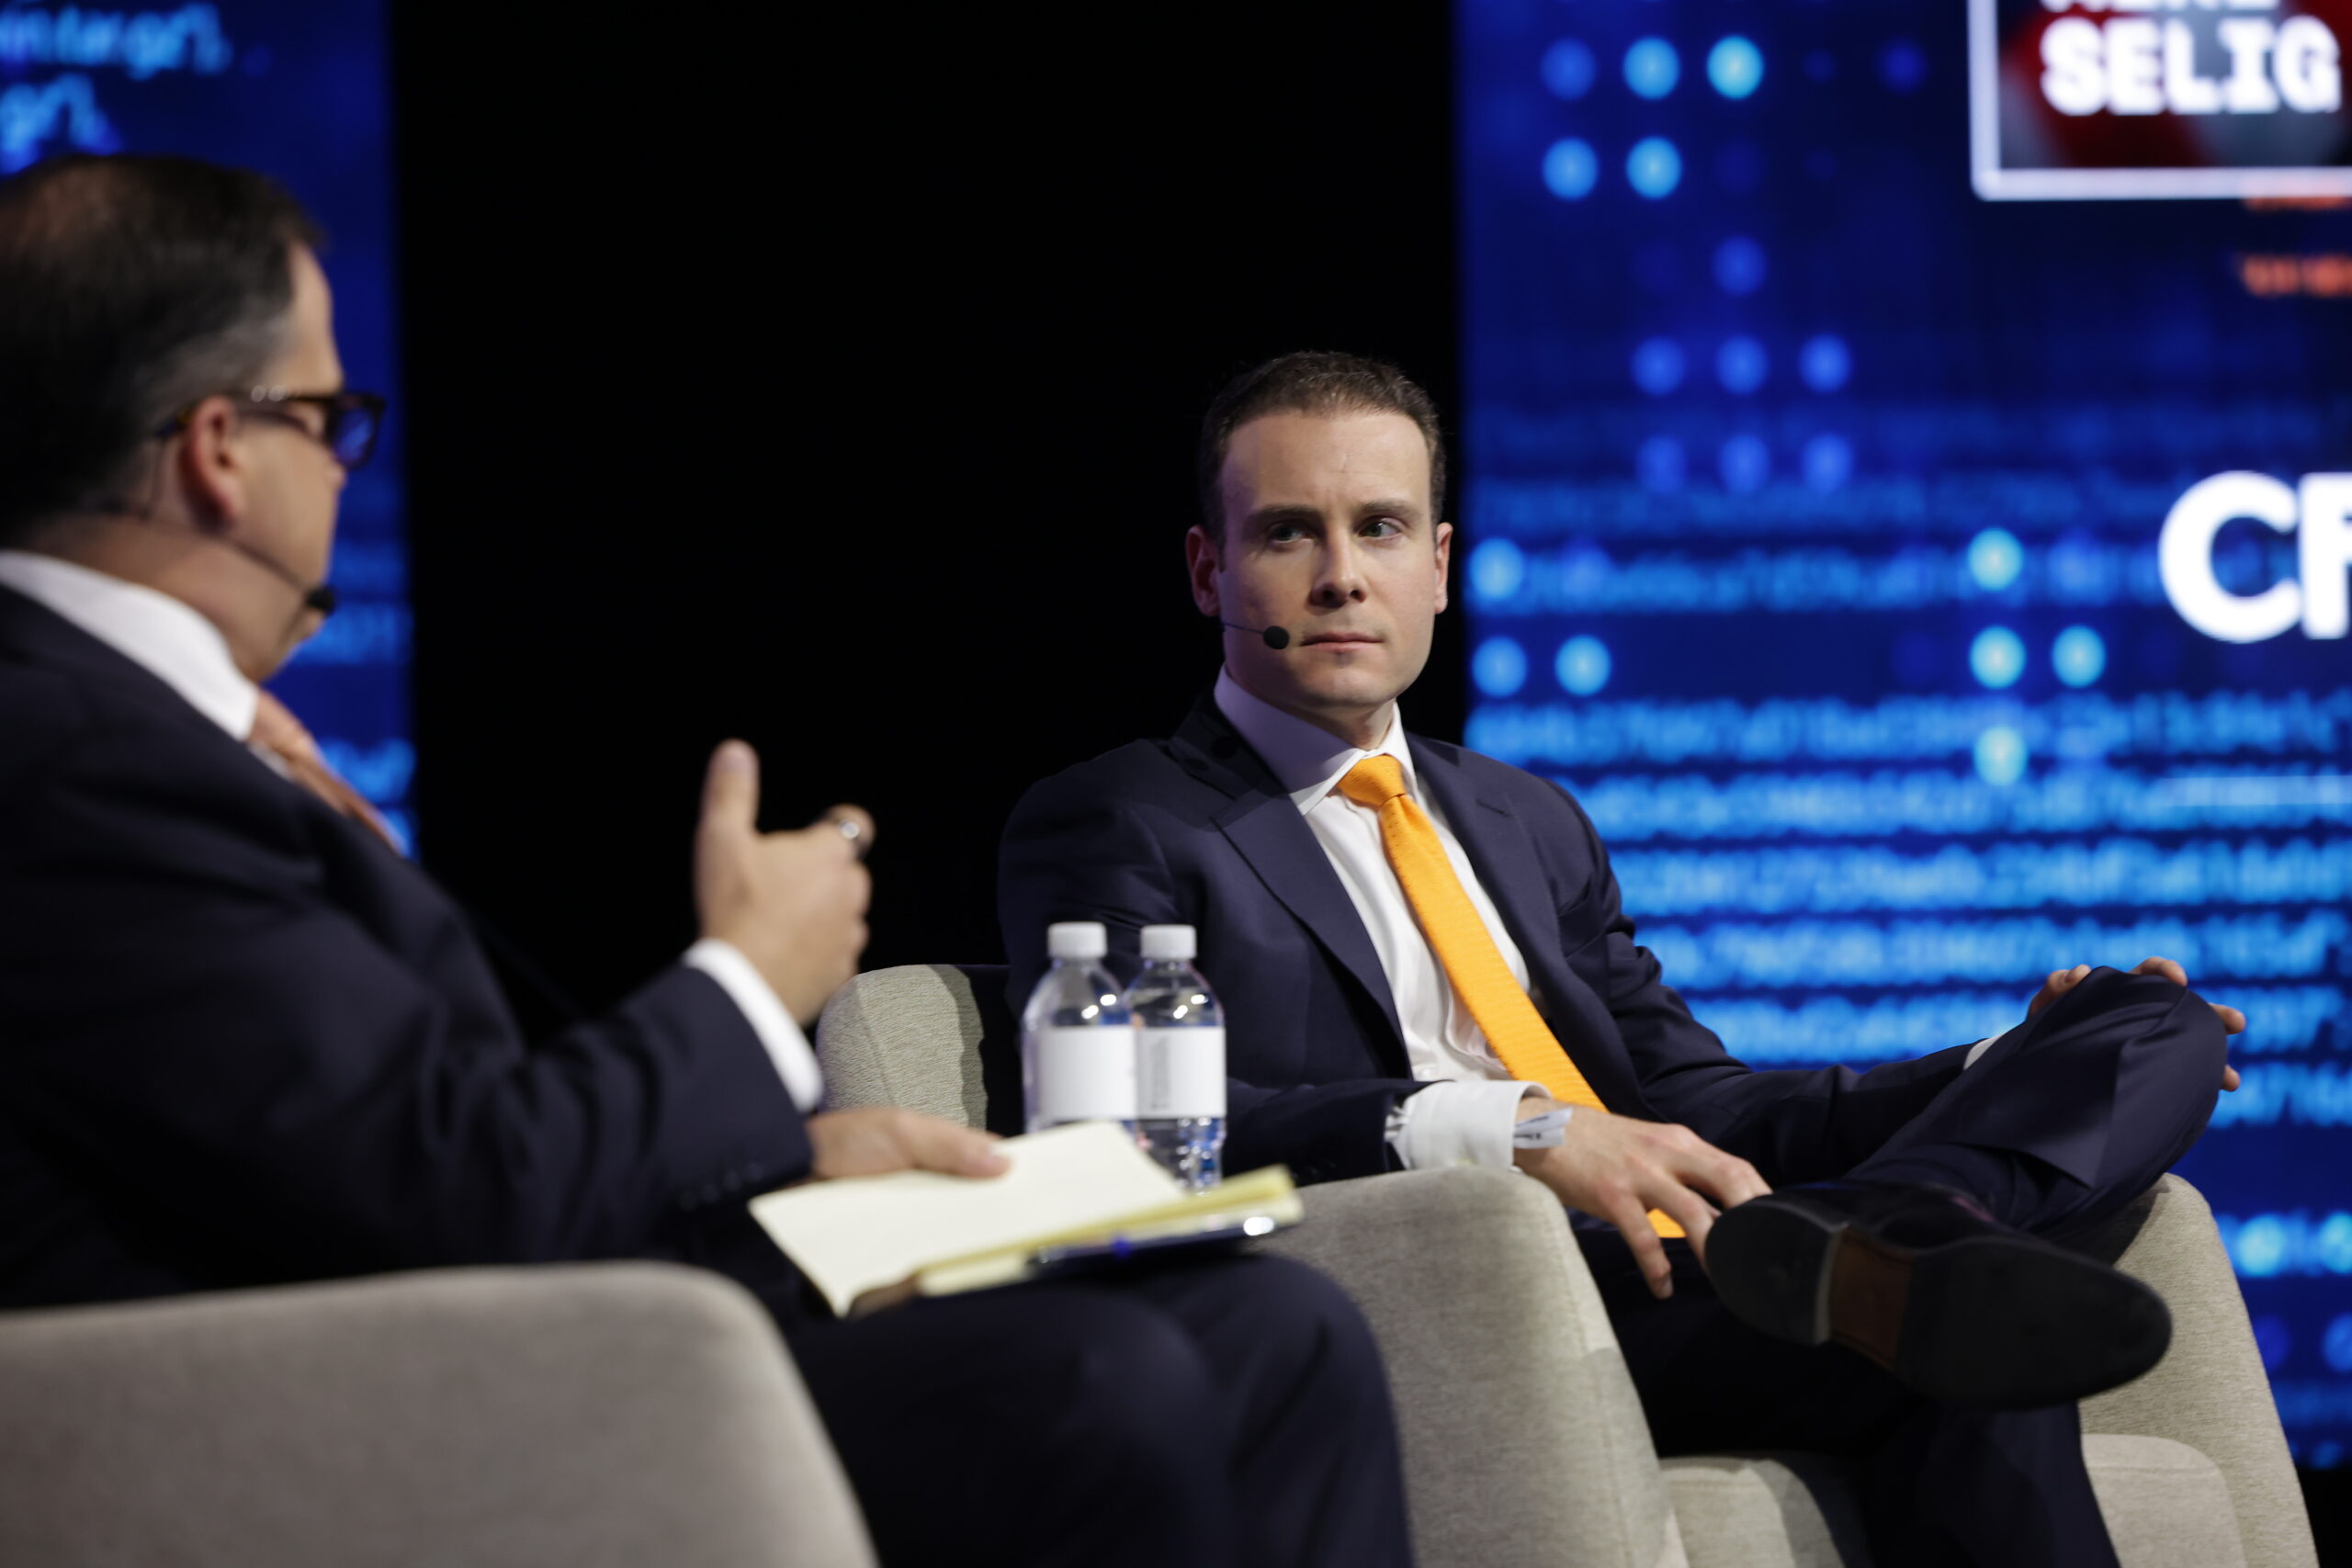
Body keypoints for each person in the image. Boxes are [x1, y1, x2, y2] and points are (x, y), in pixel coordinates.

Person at [0, 158, 1413, 1568]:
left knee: (1280, 1331)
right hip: (359, 1408)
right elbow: (450, 1190)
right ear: (219, 451)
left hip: (514, 1311)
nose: (337, 468)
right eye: (328, 421)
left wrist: (785, 1160)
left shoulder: (141, 738)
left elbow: (391, 1140)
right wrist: (746, 977)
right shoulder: (75, 756)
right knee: (1099, 1385)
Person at [1000, 350, 2245, 1568]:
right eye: (1288, 533)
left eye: (1380, 528)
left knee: (2154, 1028)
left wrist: (2006, 1064)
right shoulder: (1122, 819)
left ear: (1439, 566)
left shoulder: (1526, 818)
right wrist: (1513, 1130)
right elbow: (1149, 1132)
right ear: (1208, 570)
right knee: (1974, 1327)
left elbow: (1708, 1105)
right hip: (1468, 1292)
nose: (1341, 577)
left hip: (1700, 1271)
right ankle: (1909, 1248)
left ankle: (1900, 1237)